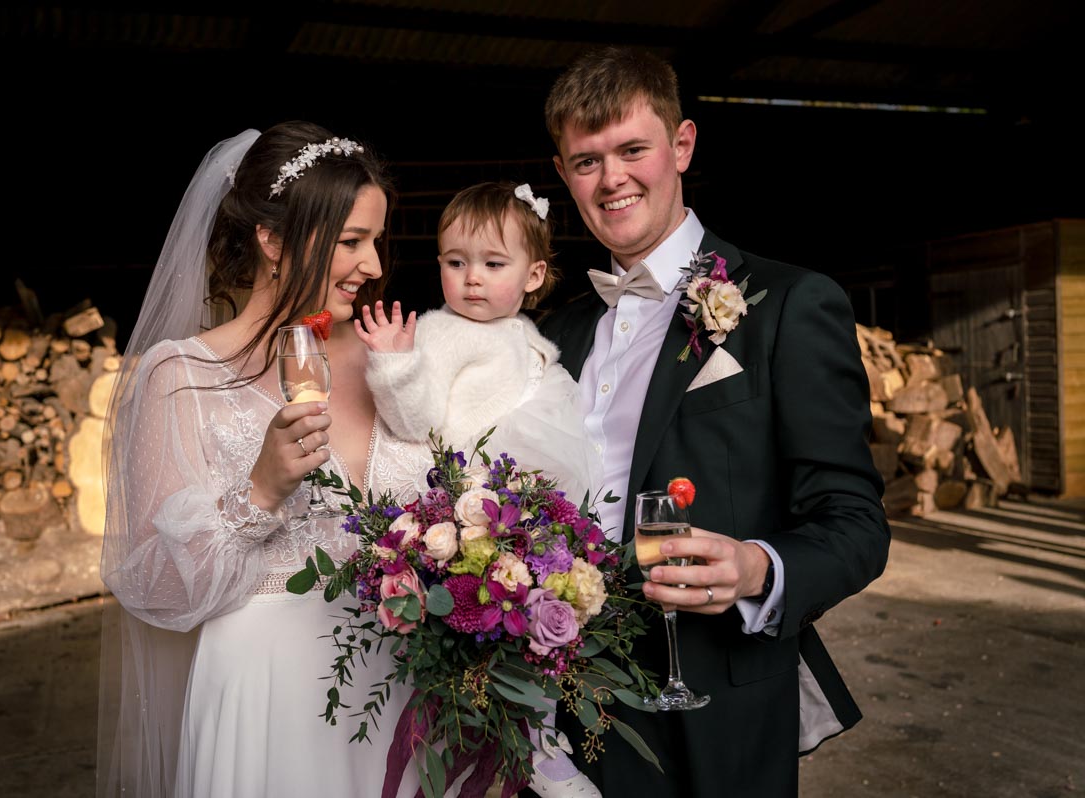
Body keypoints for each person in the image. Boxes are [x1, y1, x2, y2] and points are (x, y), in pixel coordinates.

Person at [536, 47, 891, 797]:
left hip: (713, 706)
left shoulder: (788, 305)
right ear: (565, 174)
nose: (612, 179)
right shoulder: (554, 333)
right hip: (561, 707)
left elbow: (855, 524)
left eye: (633, 149)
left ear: (682, 145)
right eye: (586, 160)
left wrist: (759, 568)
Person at [95, 122, 433, 797]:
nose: (372, 266)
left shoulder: (390, 362)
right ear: (273, 240)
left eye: (376, 240)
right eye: (351, 242)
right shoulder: (179, 377)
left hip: (405, 694)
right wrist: (260, 493)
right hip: (270, 700)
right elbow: (155, 591)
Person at [354, 180, 601, 798]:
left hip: (524, 500)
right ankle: (524, 745)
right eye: (455, 263)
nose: (471, 280)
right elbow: (414, 418)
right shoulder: (440, 333)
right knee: (497, 624)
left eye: (493, 264)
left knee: (541, 617)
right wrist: (393, 362)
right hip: (473, 499)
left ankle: (537, 735)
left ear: (533, 274)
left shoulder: (525, 334)